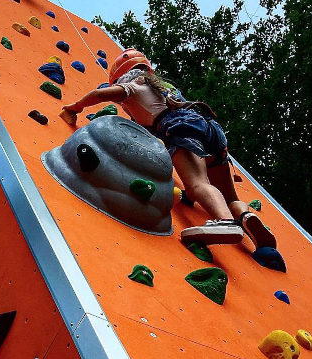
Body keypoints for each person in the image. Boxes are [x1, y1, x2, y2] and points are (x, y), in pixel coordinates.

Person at [62, 49, 275, 248]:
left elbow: (100, 95)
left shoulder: (132, 86)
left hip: (181, 129)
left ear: (122, 77)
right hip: (208, 129)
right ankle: (246, 217)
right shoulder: (164, 87)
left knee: (197, 184)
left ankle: (226, 222)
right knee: (230, 198)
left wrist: (76, 107)